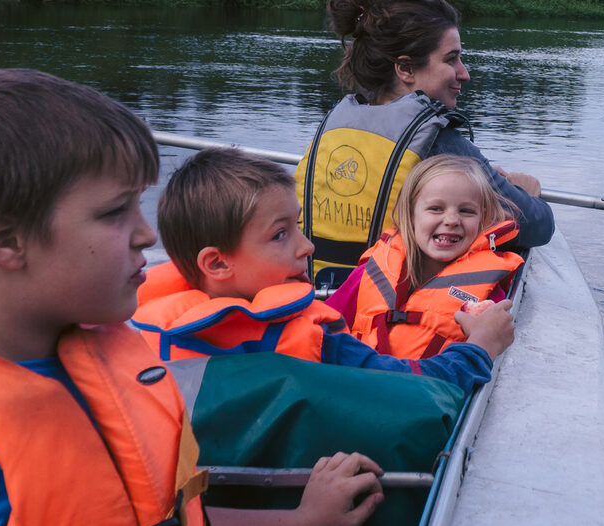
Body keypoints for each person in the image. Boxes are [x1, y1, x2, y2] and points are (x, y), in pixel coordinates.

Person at [0, 68, 382, 526]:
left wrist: (299, 525)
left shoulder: (126, 360)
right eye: (115, 213)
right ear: (5, 242)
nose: (146, 235)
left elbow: (169, 519)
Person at [134, 146, 512, 390]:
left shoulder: (146, 337)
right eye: (281, 234)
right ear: (216, 262)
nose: (308, 245)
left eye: (298, 226)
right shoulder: (321, 343)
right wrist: (481, 346)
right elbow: (418, 387)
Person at [298, 0, 555, 292]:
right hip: (390, 317)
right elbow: (539, 226)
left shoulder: (334, 129)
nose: (465, 73)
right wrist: (525, 192)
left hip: (323, 298)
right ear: (405, 69)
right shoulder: (439, 142)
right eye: (452, 59)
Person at [335, 155, 523, 358]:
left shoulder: (487, 295)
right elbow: (325, 327)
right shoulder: (370, 274)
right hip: (357, 382)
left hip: (430, 385)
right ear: (411, 214)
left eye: (466, 211)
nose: (451, 220)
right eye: (436, 208)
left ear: (483, 219)